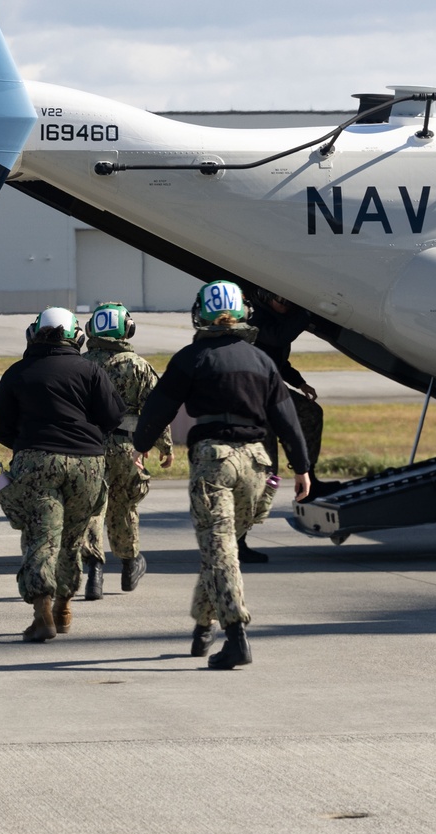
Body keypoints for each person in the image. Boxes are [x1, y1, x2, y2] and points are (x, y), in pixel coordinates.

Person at [132, 280, 310, 670]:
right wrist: (302, 466)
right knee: (221, 550)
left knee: (220, 552)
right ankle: (203, 626)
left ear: (201, 314)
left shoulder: (190, 359)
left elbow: (159, 407)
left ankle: (237, 638)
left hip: (215, 462)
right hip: (257, 466)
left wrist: (140, 446)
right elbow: (286, 417)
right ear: (244, 312)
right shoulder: (262, 360)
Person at [0, 306, 125, 643]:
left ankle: (41, 614)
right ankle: (64, 607)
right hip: (87, 466)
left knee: (41, 539)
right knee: (72, 540)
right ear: (76, 335)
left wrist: (23, 445)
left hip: (37, 463)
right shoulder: (90, 371)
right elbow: (113, 415)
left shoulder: (18, 372)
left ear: (34, 333)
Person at [79, 303, 174, 600]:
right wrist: (164, 446)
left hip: (88, 447)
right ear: (127, 329)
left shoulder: (81, 363)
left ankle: (94, 569)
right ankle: (130, 564)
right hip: (126, 448)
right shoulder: (138, 365)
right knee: (123, 508)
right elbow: (155, 410)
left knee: (92, 508)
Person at [247, 291, 337, 503]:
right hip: (254, 393)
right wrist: (307, 312)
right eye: (282, 301)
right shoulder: (256, 317)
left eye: (290, 302)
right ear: (267, 297)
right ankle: (253, 507)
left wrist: (299, 382)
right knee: (267, 459)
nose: (286, 306)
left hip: (271, 388)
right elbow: (278, 337)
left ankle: (308, 481)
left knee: (311, 413)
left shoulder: (276, 316)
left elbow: (277, 359)